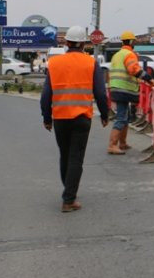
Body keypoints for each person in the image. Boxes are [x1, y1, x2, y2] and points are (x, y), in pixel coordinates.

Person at [39, 26, 110, 212]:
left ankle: (68, 191)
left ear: (66, 43)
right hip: (82, 118)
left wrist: (47, 117)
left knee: (65, 155)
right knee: (76, 158)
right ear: (84, 44)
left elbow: (46, 95)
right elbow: (101, 93)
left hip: (60, 118)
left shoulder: (54, 63)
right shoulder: (91, 63)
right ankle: (69, 199)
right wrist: (104, 114)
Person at [107, 30, 151, 154]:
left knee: (124, 117)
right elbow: (134, 70)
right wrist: (149, 78)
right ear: (131, 42)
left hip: (116, 88)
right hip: (123, 89)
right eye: (134, 42)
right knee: (121, 117)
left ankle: (122, 143)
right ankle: (112, 145)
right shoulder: (129, 54)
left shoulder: (118, 54)